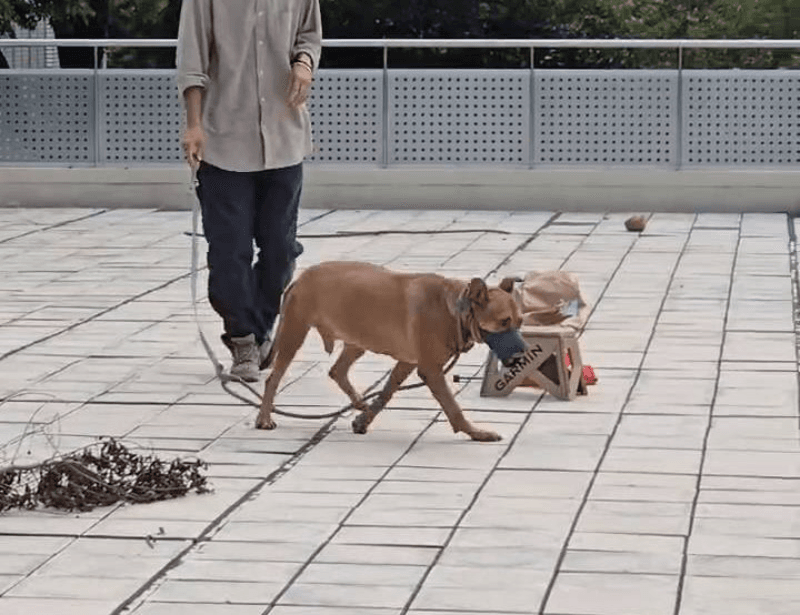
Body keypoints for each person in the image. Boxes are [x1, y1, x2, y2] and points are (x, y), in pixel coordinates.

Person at [176, 0, 322, 382]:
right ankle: (242, 339)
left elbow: (308, 34)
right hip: (223, 140)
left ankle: (261, 328)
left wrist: (304, 62)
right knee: (229, 250)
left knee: (280, 247)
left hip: (284, 135)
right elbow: (192, 55)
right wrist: (193, 124)